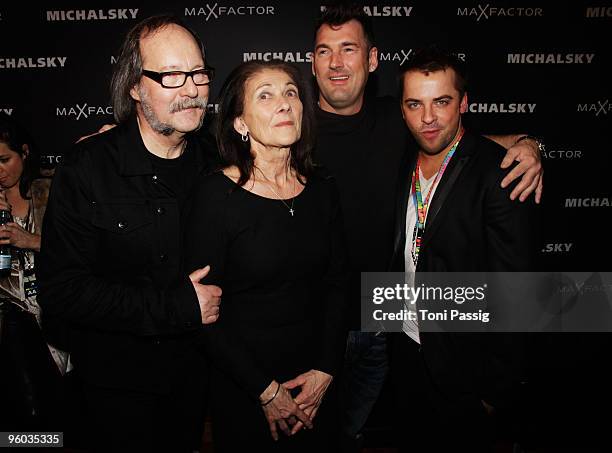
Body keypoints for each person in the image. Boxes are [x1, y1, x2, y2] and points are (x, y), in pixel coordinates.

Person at [310, 4, 544, 451]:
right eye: (325, 51)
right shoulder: (290, 125)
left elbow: (518, 290)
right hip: (321, 328)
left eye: (348, 49)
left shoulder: (402, 130)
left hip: (392, 329)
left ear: (372, 59)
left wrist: (531, 145)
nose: (427, 116)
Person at [37, 15, 221, 452]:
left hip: (195, 381)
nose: (192, 88)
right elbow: (61, 291)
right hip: (114, 392)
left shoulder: (217, 164)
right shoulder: (88, 168)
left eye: (197, 73)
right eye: (172, 75)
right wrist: (174, 306)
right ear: (135, 87)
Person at [184, 60, 349, 452]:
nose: (285, 104)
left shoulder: (323, 187)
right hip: (246, 387)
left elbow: (340, 283)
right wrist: (267, 392)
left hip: (317, 384)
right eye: (266, 95)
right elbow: (202, 315)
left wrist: (326, 369)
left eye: (291, 93)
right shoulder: (214, 198)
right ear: (240, 122)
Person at [388, 47, 537, 452]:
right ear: (402, 109)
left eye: (442, 101)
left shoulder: (500, 172)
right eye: (415, 104)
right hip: (407, 348)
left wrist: (495, 391)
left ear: (464, 103)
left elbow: (516, 290)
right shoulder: (402, 159)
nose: (429, 117)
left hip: (466, 369)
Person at [0, 112, 69, 431]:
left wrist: (31, 240)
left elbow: (84, 251)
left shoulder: (52, 189)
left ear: (24, 153)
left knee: (61, 411)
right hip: (10, 318)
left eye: (4, 160)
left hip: (55, 311)